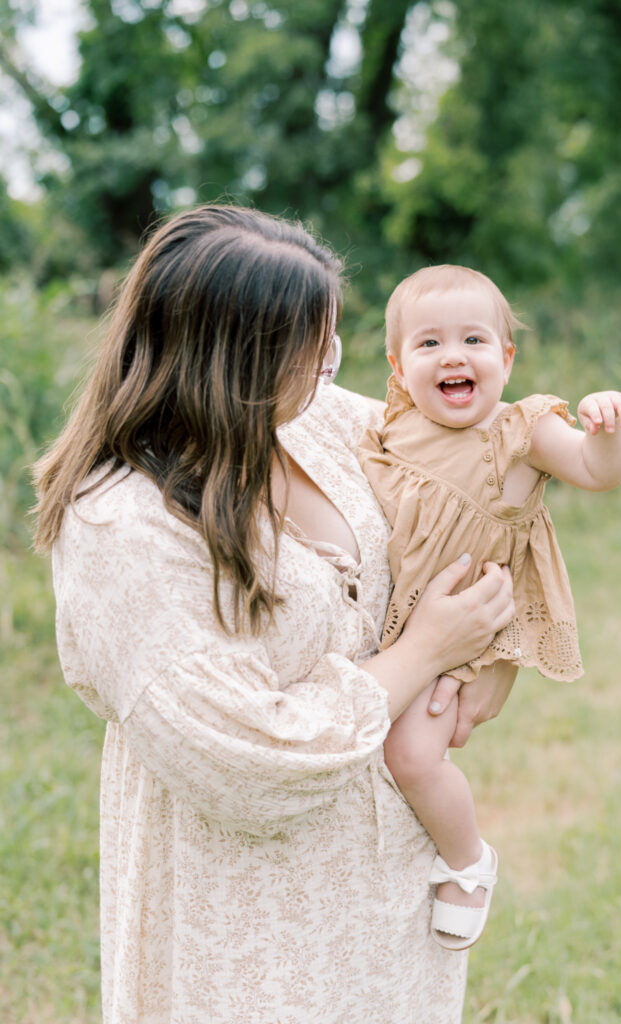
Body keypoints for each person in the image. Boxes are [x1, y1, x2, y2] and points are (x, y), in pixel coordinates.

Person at [33, 208, 517, 1024]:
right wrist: (428, 648)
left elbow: (475, 458)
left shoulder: (314, 423)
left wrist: (493, 656)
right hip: (249, 918)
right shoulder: (124, 524)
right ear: (238, 359)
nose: (331, 366)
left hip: (381, 887)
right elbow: (243, 763)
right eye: (312, 346)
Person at [359, 264, 621, 950]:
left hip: (465, 630)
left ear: (506, 360)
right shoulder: (392, 431)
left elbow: (599, 472)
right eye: (428, 345)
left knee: (413, 756)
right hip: (395, 631)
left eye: (474, 340)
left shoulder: (522, 431)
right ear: (398, 368)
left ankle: (467, 863)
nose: (453, 355)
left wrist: (606, 425)